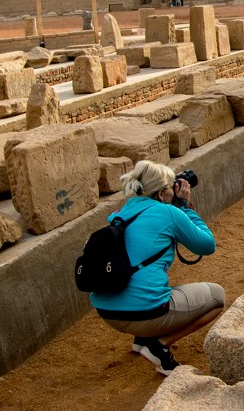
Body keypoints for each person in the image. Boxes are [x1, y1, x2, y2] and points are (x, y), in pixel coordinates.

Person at [89, 160, 224, 375]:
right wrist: (185, 206)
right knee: (217, 297)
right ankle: (158, 345)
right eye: (171, 187)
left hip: (108, 313)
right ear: (161, 194)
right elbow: (207, 245)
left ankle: (141, 339)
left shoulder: (120, 214)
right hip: (144, 314)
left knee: (148, 277)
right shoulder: (168, 213)